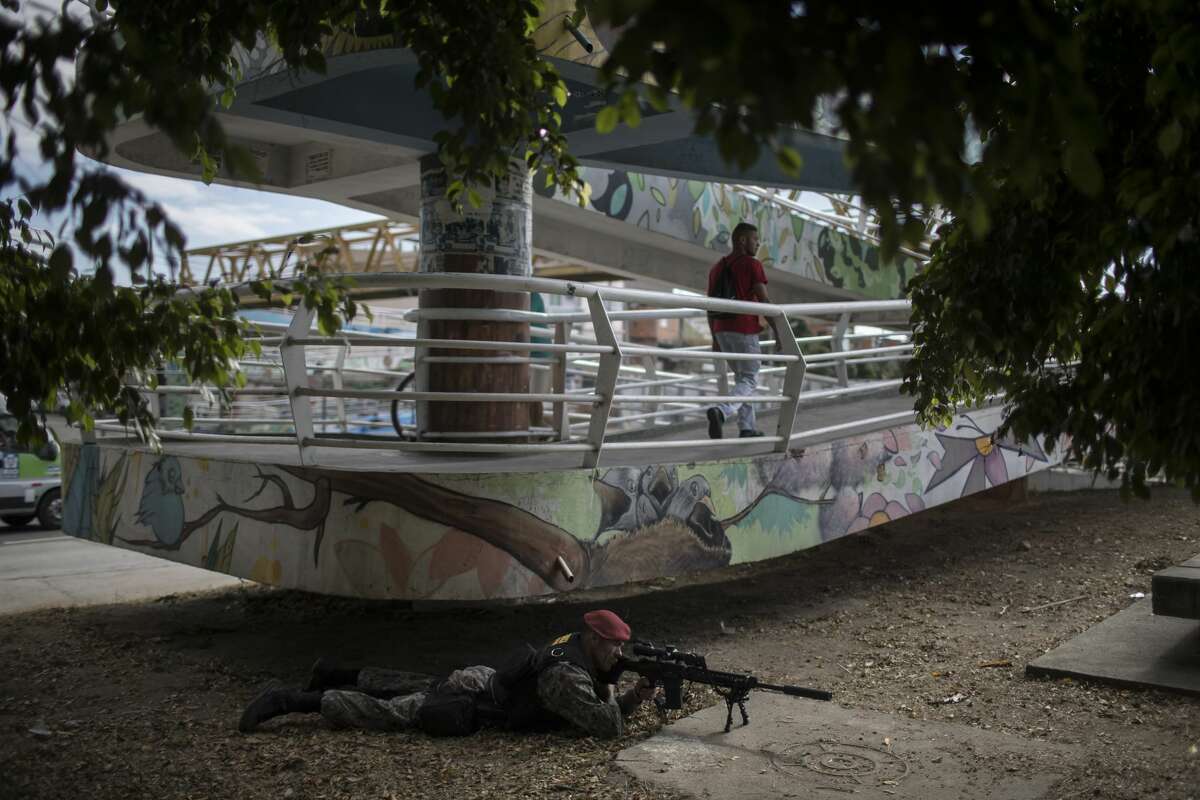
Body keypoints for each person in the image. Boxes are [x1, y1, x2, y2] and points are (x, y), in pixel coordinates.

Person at [237, 609, 656, 739]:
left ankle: (333, 671)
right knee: (393, 711)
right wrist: (624, 689)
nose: (620, 652)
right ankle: (290, 701)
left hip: (484, 680)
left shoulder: (572, 644)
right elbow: (608, 726)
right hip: (478, 702)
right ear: (595, 640)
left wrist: (618, 681)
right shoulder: (569, 676)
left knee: (416, 681)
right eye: (614, 646)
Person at [706, 222, 781, 439]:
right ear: (742, 240)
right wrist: (778, 331)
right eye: (755, 239)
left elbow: (710, 306)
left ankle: (746, 428)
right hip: (743, 328)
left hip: (722, 329)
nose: (758, 243)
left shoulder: (717, 267)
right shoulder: (751, 264)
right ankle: (721, 411)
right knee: (749, 379)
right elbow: (764, 300)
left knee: (742, 378)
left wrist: (714, 337)